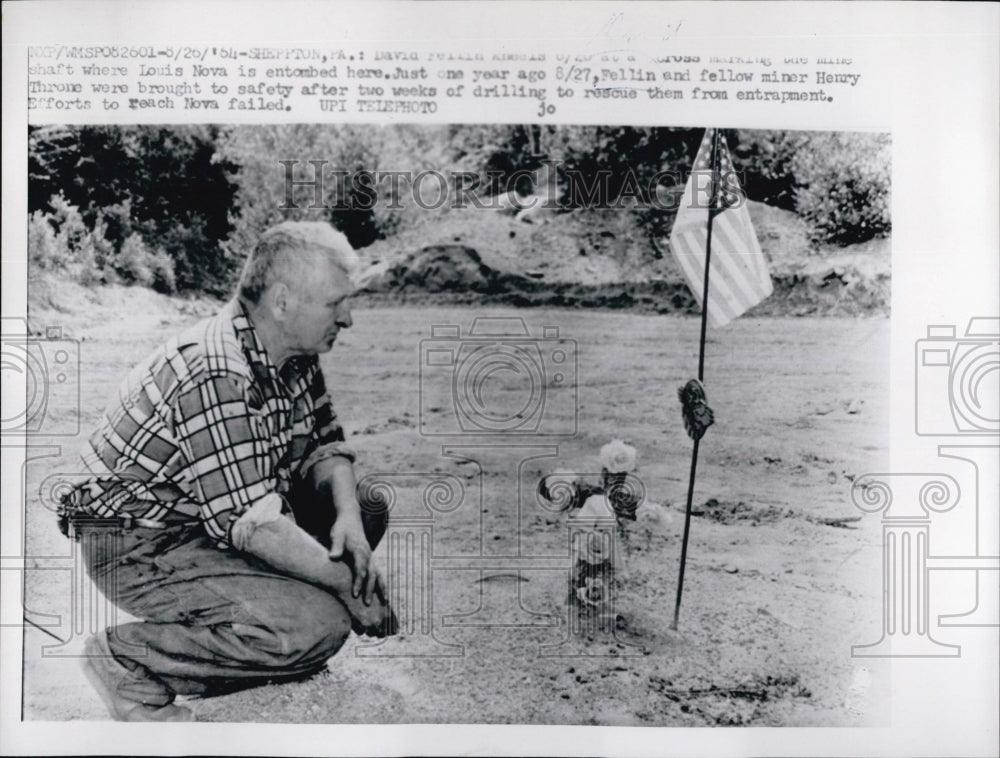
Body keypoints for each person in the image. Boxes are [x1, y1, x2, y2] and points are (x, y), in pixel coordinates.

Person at [60, 221, 396, 722]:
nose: (347, 318)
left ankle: (261, 630)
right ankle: (128, 660)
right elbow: (251, 522)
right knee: (318, 627)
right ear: (283, 303)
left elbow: (326, 445)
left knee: (364, 506)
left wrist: (347, 519)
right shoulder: (217, 369)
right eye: (335, 303)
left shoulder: (291, 350)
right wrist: (348, 587)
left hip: (208, 518)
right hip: (140, 544)